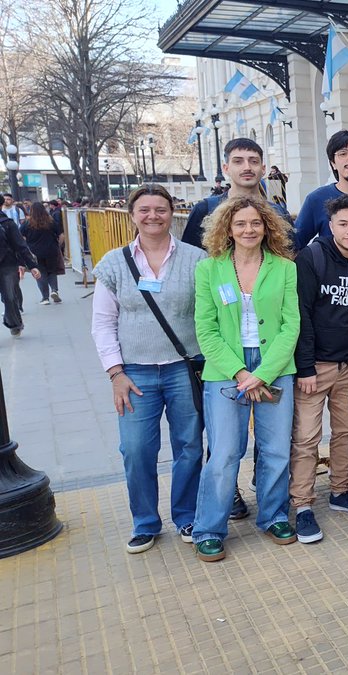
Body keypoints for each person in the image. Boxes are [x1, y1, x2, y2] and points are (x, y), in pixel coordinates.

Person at [90, 184, 207, 554]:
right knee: (136, 448)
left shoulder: (196, 259)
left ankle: (187, 515)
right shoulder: (114, 263)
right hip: (135, 373)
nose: (153, 216)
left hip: (185, 369)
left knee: (190, 445)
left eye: (161, 209)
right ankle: (144, 522)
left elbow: (209, 315)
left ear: (172, 213)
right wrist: (115, 373)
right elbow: (102, 323)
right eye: (145, 210)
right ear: (132, 215)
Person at [191, 196, 300, 562]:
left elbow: (291, 326)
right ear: (228, 229)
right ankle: (209, 528)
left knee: (275, 449)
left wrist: (263, 373)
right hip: (226, 369)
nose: (248, 229)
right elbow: (206, 330)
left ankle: (274, 516)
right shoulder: (209, 270)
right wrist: (240, 373)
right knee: (224, 452)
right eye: (240, 223)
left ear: (267, 227)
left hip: (275, 367)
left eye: (255, 223)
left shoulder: (285, 268)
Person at [290, 195, 348, 544]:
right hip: (316, 366)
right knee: (306, 437)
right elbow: (301, 314)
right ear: (331, 226)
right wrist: (305, 366)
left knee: (346, 431)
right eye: (343, 224)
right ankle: (302, 505)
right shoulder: (313, 257)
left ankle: (341, 489)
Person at [182, 138, 289, 248]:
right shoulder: (204, 210)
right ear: (226, 168)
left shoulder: (279, 213)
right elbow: (190, 255)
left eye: (254, 162)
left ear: (263, 169)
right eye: (238, 162)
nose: (247, 167)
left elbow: (290, 253)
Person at [0, 208, 39, 337]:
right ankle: (15, 324)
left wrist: (32, 265)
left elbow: (20, 245)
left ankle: (14, 323)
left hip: (7, 265)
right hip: (8, 265)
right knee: (10, 297)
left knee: (9, 297)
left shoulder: (7, 223)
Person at [19, 202, 65, 305]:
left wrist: (26, 248)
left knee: (40, 273)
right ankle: (54, 290)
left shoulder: (27, 224)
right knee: (52, 271)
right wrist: (58, 245)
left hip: (35, 253)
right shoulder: (50, 222)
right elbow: (61, 235)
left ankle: (45, 298)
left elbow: (21, 237)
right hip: (51, 250)